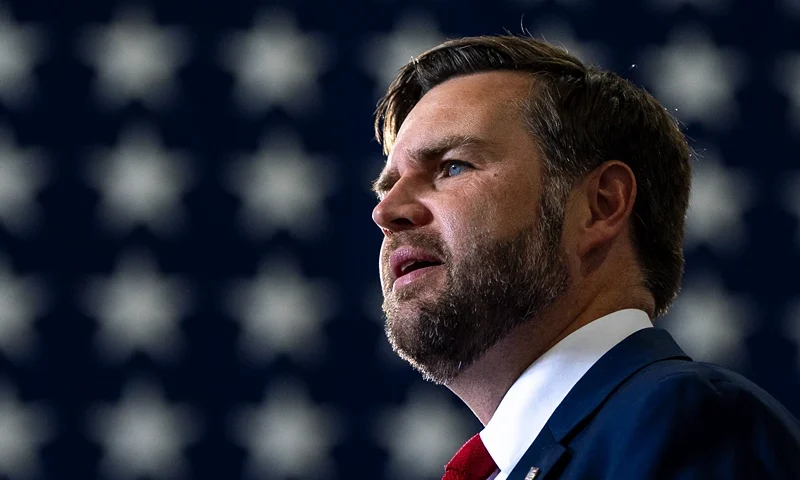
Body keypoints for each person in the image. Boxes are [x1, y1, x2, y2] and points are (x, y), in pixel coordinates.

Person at [370, 35, 800, 480]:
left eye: (452, 166)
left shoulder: (688, 422)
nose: (385, 212)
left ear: (601, 206)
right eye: (389, 186)